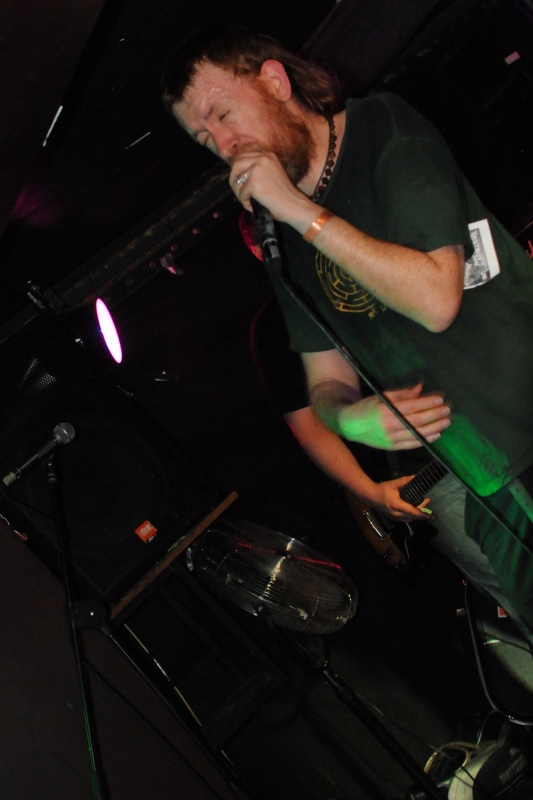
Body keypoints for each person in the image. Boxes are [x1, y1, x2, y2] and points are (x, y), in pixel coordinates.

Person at [161, 25, 533, 637]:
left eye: (223, 114)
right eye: (205, 139)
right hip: (481, 475)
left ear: (274, 82)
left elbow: (436, 298)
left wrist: (298, 210)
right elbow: (324, 382)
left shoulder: (381, 127)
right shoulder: (283, 245)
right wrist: (349, 419)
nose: (225, 145)